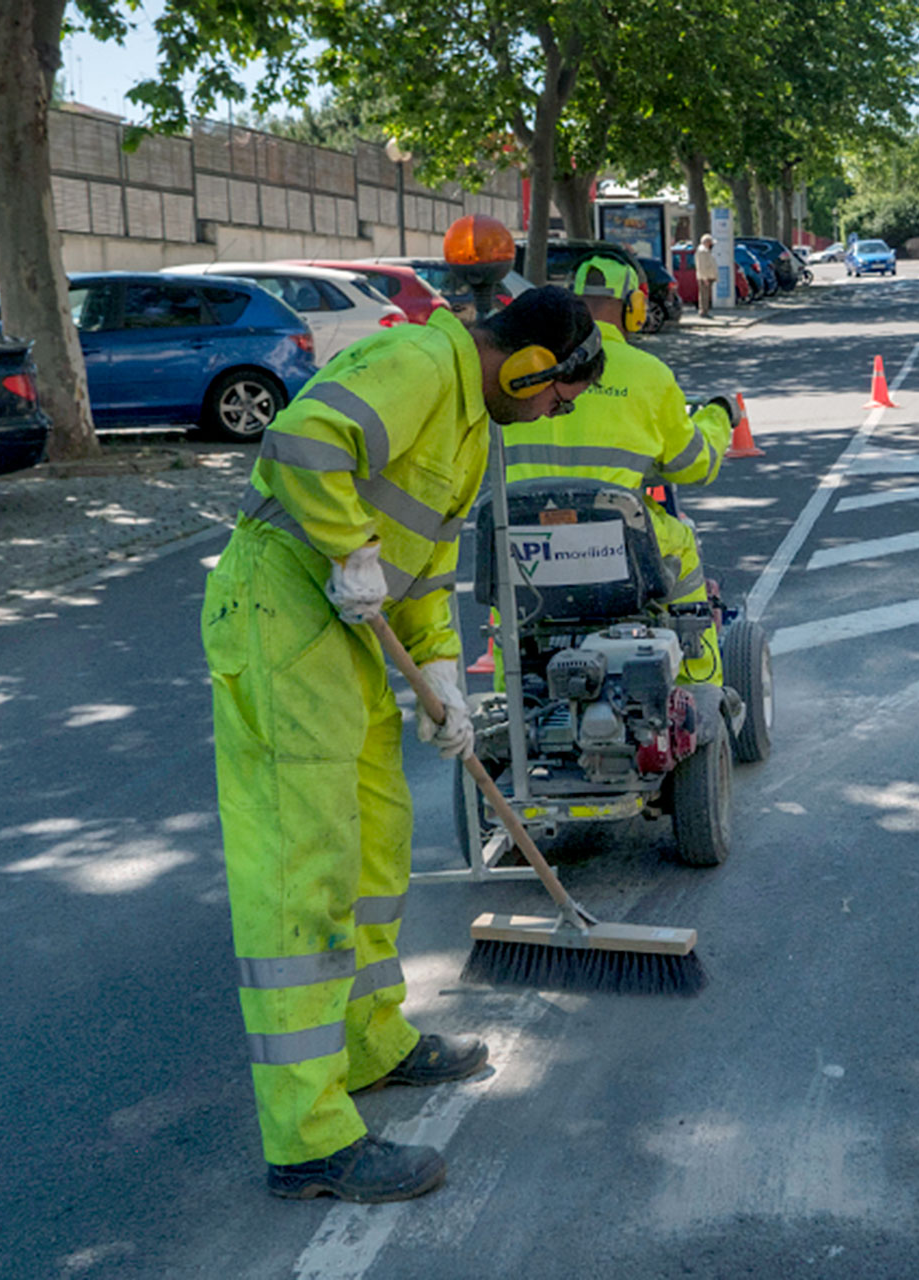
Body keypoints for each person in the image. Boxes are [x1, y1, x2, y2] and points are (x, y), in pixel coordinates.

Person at [201, 285, 598, 1204]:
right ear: (531, 365)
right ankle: (307, 1139)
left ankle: (370, 1039)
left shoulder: (470, 429)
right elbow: (301, 442)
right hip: (284, 616)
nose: (553, 412)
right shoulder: (420, 364)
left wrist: (446, 671)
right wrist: (346, 549)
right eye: (556, 397)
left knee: (378, 840)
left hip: (347, 635)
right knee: (304, 869)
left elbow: (424, 560)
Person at [502, 250, 735, 693]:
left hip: (527, 545)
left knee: (512, 606)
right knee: (680, 542)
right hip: (615, 546)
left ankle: (514, 694)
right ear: (635, 307)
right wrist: (719, 417)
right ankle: (697, 681)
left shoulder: (525, 368)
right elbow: (693, 465)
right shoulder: (648, 374)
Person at [693, 234, 719, 318]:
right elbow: (701, 266)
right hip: (705, 277)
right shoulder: (702, 251)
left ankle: (705, 310)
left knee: (706, 295)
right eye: (710, 242)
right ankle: (703, 311)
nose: (711, 245)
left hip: (707, 276)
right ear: (707, 242)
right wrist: (704, 278)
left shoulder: (705, 250)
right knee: (704, 295)